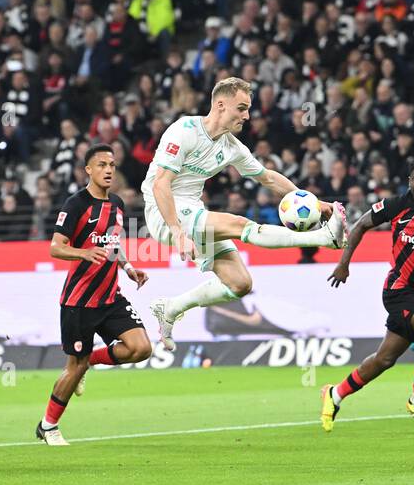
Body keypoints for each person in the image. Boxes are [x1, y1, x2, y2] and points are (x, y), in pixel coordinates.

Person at [145, 77, 347, 350]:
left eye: (248, 109)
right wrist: (177, 232)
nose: (247, 116)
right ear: (220, 105)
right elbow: (160, 184)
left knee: (240, 284)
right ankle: (324, 239)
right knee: (241, 225)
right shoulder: (184, 130)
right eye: (241, 108)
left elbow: (268, 178)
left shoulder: (231, 147)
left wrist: (314, 202)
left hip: (192, 211)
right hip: (163, 212)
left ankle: (170, 308)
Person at [322, 156, 414, 431]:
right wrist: (343, 263)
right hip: (399, 289)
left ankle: (336, 394)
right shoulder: (396, 205)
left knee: (384, 359)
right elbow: (362, 224)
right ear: (409, 181)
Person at [38, 145, 152, 446]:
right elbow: (55, 246)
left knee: (141, 348)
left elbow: (114, 242)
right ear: (88, 169)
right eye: (101, 164)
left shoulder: (116, 204)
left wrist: (127, 266)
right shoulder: (76, 204)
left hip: (110, 297)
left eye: (112, 164)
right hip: (79, 301)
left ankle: (90, 361)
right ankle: (48, 426)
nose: (109, 169)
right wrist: (83, 252)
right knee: (73, 367)